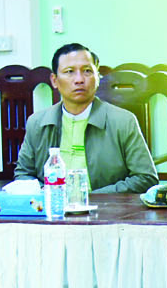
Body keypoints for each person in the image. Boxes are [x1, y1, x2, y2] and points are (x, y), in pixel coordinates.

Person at [14, 43, 158, 194]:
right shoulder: (37, 123)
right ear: (54, 80)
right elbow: (23, 175)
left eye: (87, 71)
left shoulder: (123, 121)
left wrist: (88, 197)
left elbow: (145, 178)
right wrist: (48, 194)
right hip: (53, 205)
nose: (79, 79)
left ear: (97, 78)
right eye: (69, 72)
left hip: (105, 207)